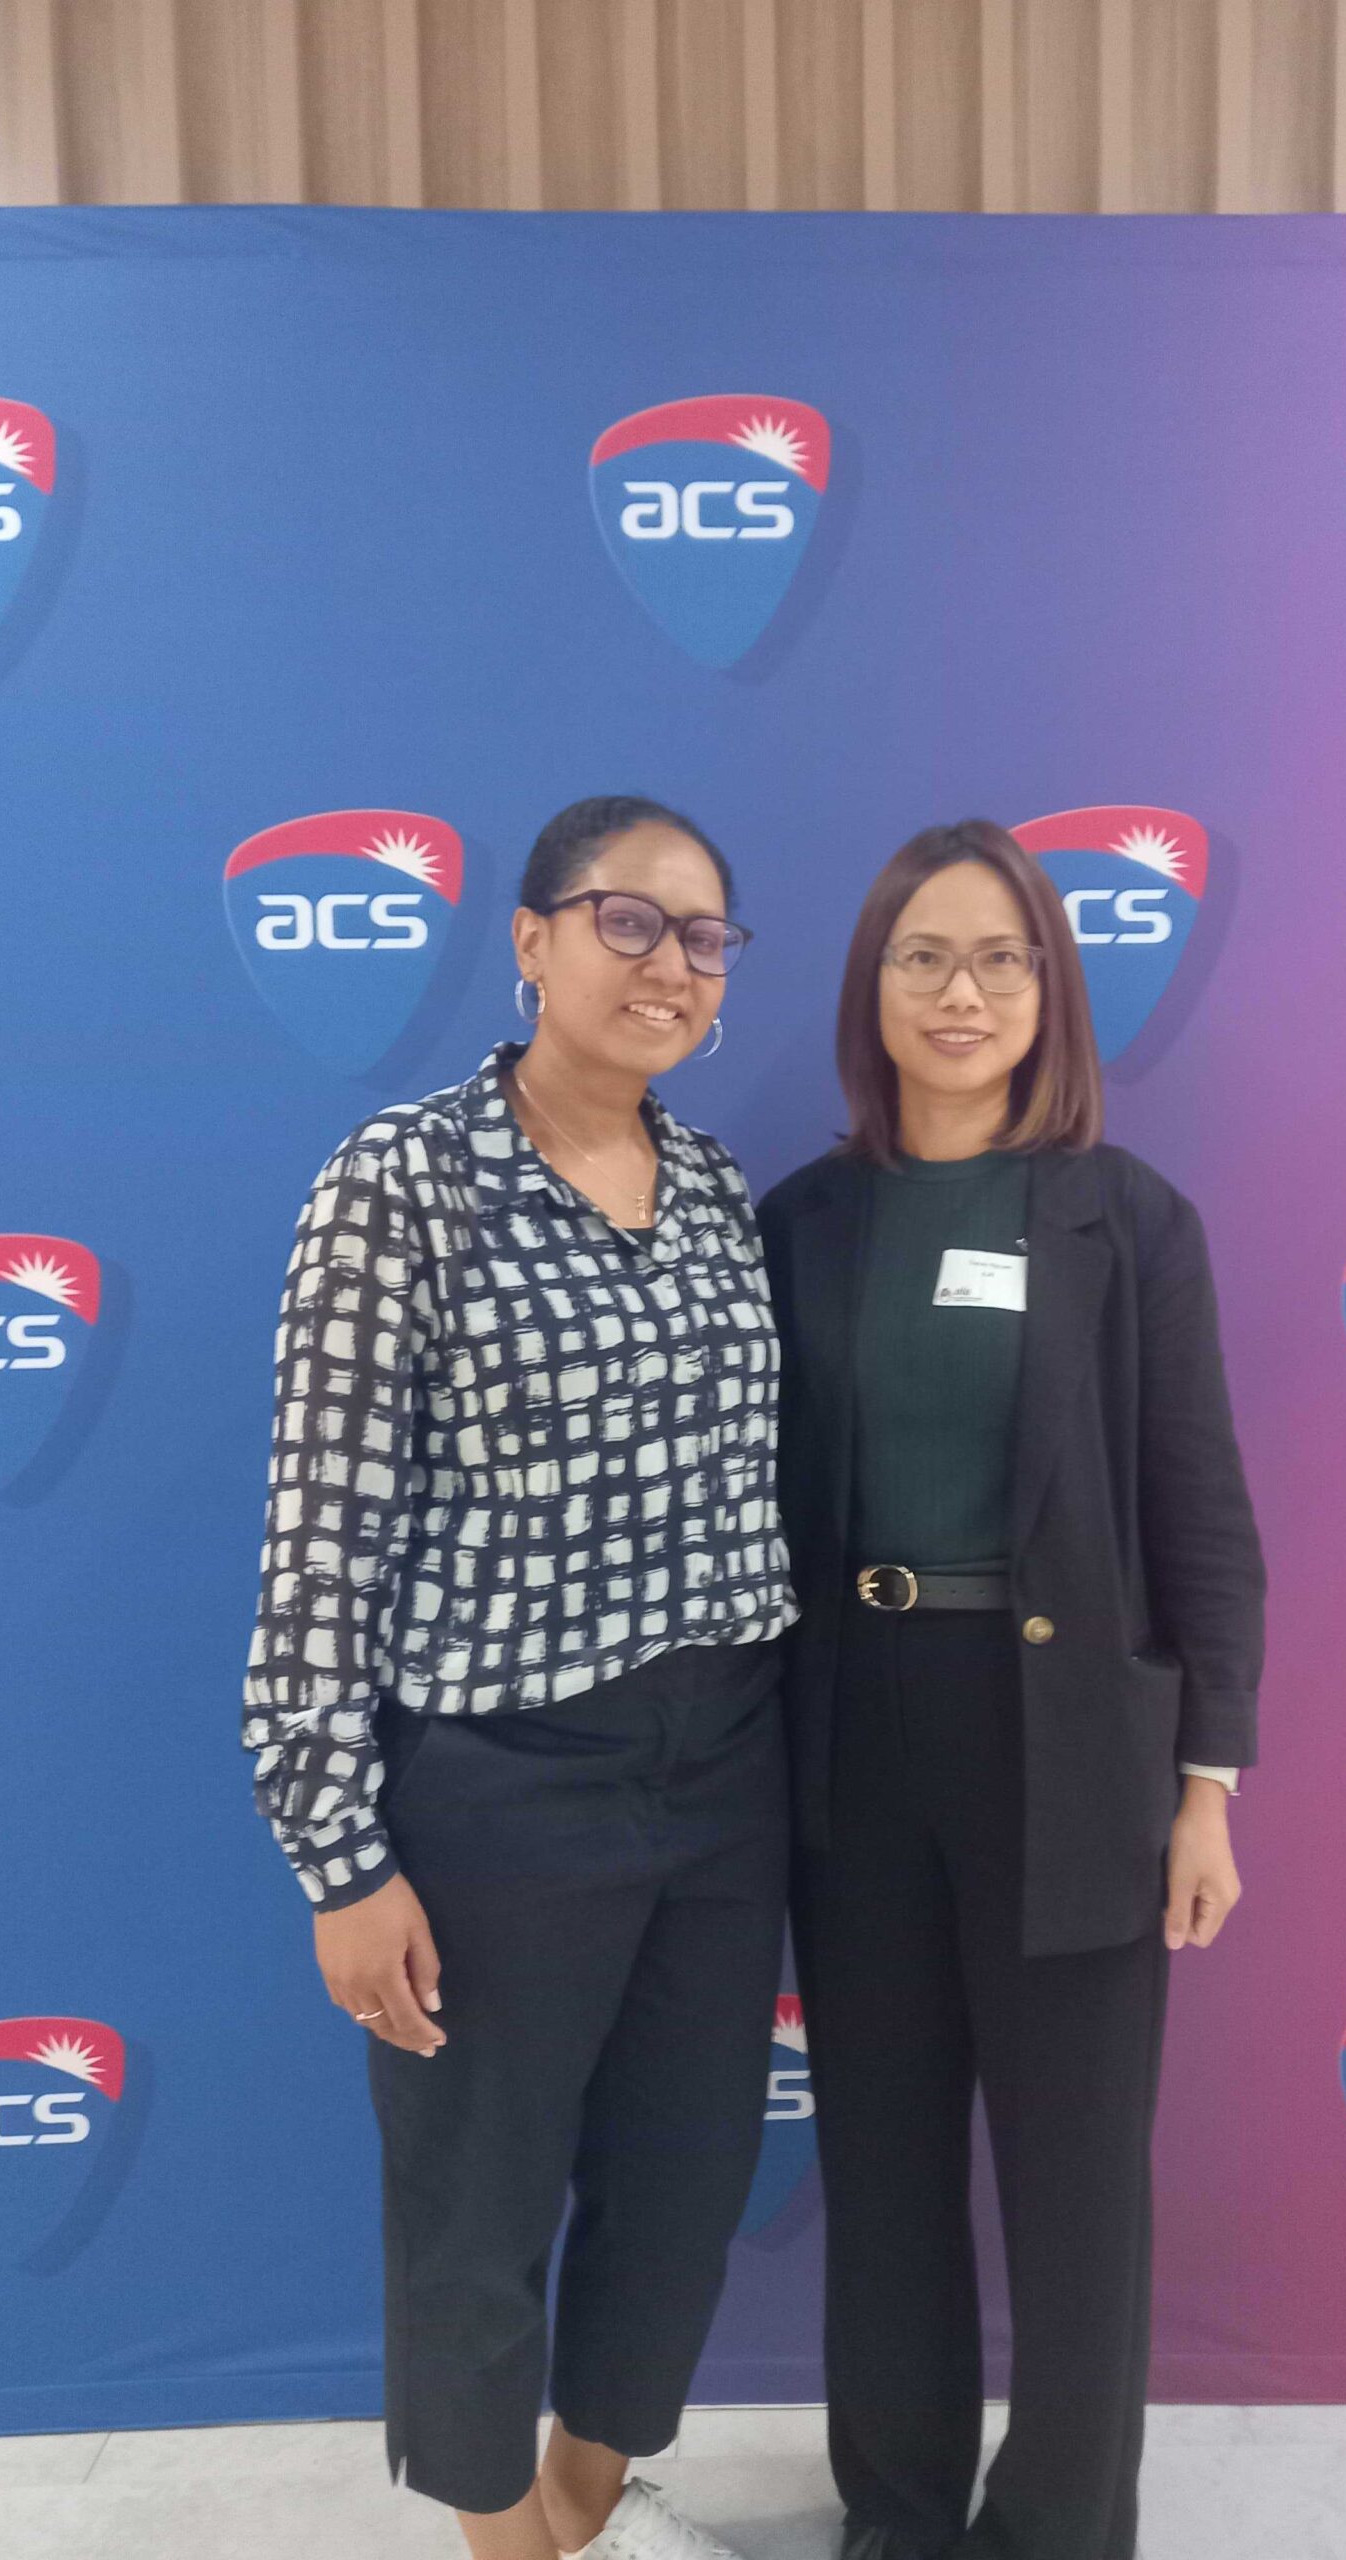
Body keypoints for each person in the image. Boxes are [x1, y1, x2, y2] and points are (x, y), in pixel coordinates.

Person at [243, 795, 796, 2560]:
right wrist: (339, 1857)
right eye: (629, 921)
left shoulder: (714, 1188)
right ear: (534, 939)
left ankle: (589, 2511)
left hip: (723, 1773)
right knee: (475, 2217)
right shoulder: (401, 1181)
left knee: (684, 2185)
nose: (669, 965)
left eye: (704, 938)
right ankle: (505, 2547)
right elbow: (319, 1538)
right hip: (502, 1786)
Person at [757, 819, 1266, 2560]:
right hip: (858, 1738)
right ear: (872, 989)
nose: (958, 992)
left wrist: (1208, 1784)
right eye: (923, 957)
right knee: (886, 2164)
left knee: (1076, 2181)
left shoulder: (1130, 1219)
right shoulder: (802, 1223)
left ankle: (1057, 2525)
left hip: (1072, 1752)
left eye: (998, 958)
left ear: (1049, 991)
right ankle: (898, 2512)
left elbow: (1203, 1514)